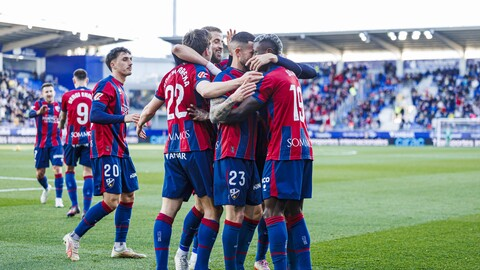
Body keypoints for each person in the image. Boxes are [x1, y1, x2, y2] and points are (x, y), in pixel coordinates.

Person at [136, 28, 262, 270]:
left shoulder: (170, 75)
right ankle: (199, 264)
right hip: (198, 145)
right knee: (212, 210)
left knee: (167, 211)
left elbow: (151, 108)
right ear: (203, 49)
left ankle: (165, 265)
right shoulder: (200, 70)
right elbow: (205, 90)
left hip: (172, 148)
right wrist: (241, 82)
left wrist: (141, 122)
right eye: (212, 43)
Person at [212, 34, 314, 270]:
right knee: (294, 212)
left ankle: (276, 265)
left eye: (258, 52)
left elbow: (238, 114)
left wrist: (214, 112)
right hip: (303, 149)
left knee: (271, 211)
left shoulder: (268, 79)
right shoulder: (290, 74)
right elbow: (308, 71)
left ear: (268, 53)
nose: (254, 56)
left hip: (282, 151)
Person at [63, 47, 146, 262]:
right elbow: (95, 114)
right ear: (113, 64)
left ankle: (120, 246)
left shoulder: (120, 88)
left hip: (120, 148)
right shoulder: (105, 85)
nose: (130, 63)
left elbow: (115, 118)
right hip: (105, 148)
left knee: (129, 196)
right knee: (111, 200)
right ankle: (73, 236)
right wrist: (124, 118)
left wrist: (134, 125)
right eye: (125, 59)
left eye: (131, 59)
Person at [209, 31, 263, 270]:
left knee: (256, 212)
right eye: (252, 52)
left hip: (250, 155)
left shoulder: (255, 76)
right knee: (235, 213)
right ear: (238, 52)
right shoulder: (225, 77)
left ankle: (239, 263)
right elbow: (214, 115)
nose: (256, 56)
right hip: (231, 153)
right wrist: (235, 97)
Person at [59, 68, 94, 217]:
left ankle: (74, 206)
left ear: (74, 80)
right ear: (87, 80)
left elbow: (62, 117)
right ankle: (86, 210)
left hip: (71, 139)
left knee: (69, 170)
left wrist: (61, 127)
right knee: (88, 172)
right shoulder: (93, 94)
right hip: (89, 138)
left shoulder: (67, 95)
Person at [28, 83, 65, 208]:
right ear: (43, 94)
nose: (49, 93)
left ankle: (59, 199)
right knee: (40, 174)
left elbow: (66, 118)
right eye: (46, 92)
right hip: (41, 144)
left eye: (50, 91)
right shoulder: (38, 104)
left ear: (54, 92)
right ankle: (46, 187)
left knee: (58, 169)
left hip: (56, 143)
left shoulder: (59, 106)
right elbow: (30, 113)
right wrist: (39, 112)